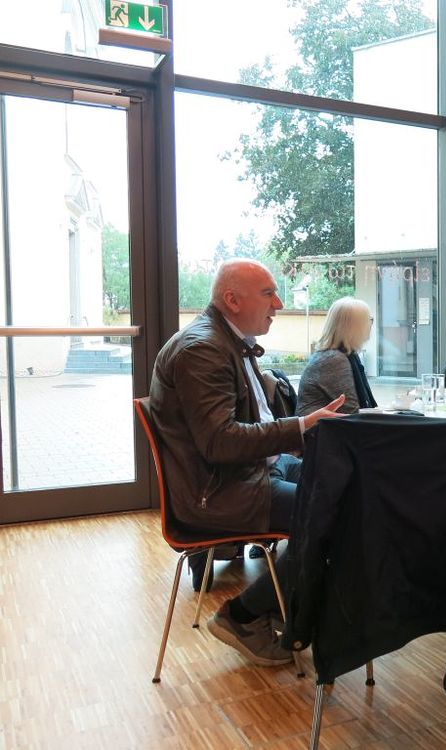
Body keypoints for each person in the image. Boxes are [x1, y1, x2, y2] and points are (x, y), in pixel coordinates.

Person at [149, 258, 345, 667]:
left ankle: (292, 606)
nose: (279, 303)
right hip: (222, 491)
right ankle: (244, 614)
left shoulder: (228, 340)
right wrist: (301, 426)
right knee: (339, 515)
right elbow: (219, 442)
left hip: (255, 471)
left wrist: (300, 432)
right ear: (232, 300)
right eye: (269, 294)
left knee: (348, 485)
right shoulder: (203, 350)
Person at [296, 297, 376, 416]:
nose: (370, 325)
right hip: (322, 427)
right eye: (369, 320)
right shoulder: (334, 360)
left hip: (331, 425)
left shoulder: (337, 355)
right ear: (356, 327)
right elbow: (351, 413)